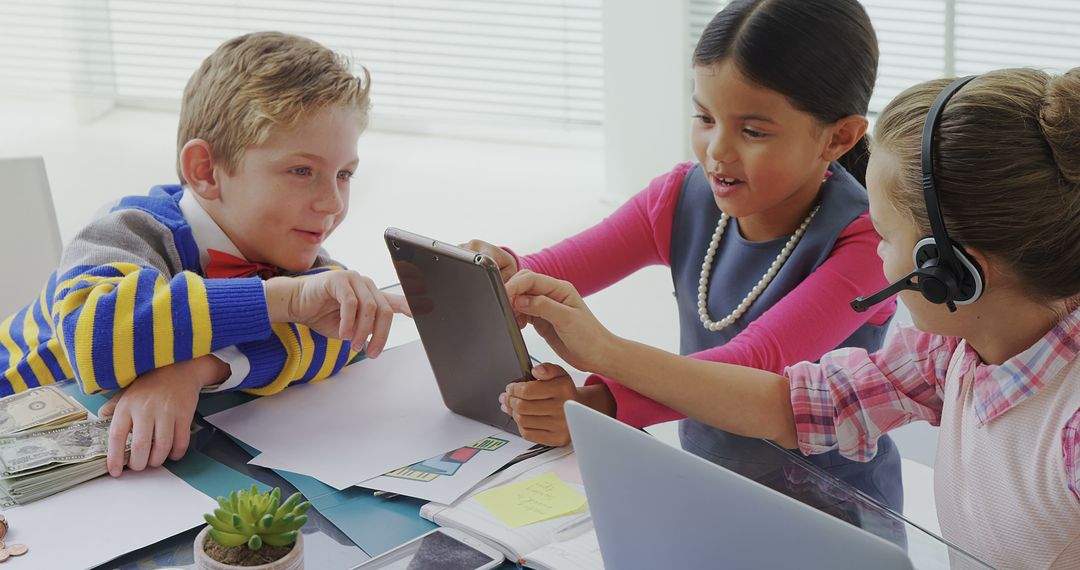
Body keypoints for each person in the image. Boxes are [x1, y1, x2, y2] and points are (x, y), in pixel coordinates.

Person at [504, 67, 1080, 569]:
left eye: (884, 235)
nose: (876, 251)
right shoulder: (951, 352)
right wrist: (603, 353)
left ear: (955, 271)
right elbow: (791, 405)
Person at [472, 0, 902, 510]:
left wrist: (598, 391)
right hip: (708, 491)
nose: (717, 149)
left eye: (753, 131)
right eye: (704, 116)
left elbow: (754, 364)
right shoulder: (682, 197)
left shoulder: (869, 244)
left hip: (835, 515)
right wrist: (491, 272)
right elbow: (546, 270)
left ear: (839, 136)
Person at [0, 32, 407, 477]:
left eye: (344, 174)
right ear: (205, 171)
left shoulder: (293, 252)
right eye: (301, 170)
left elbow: (342, 340)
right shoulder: (126, 231)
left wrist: (197, 370)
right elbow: (95, 338)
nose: (332, 203)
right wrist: (284, 302)